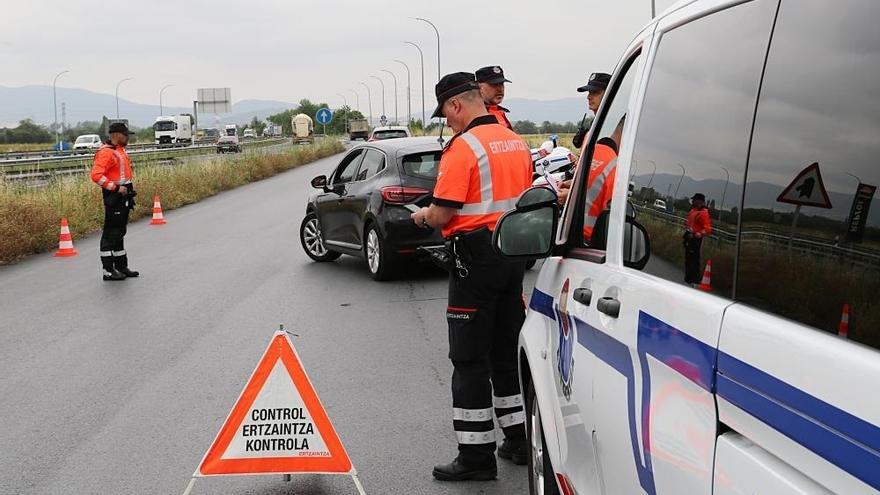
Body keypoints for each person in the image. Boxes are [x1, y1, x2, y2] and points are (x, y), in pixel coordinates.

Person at [410, 72, 533, 482]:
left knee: (468, 359)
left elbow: (443, 213)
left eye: (446, 113)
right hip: (513, 258)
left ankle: (476, 456)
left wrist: (422, 216)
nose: (447, 122)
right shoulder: (515, 142)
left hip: (474, 262)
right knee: (505, 353)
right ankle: (518, 439)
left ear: (457, 105)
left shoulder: (463, 149)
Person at [90, 122, 139, 281]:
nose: (127, 138)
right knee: (110, 233)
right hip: (114, 196)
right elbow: (96, 176)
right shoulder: (106, 152)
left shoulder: (119, 150)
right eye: (126, 135)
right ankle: (108, 270)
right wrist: (115, 188)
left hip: (123, 195)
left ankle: (121, 266)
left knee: (119, 232)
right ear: (117, 135)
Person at [572, 72, 611, 150]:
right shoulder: (596, 123)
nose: (588, 97)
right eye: (589, 92)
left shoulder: (612, 126)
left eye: (595, 92)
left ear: (609, 94)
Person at [684, 193, 713, 285]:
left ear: (699, 201)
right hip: (689, 236)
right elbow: (689, 223)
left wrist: (699, 234)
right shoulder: (693, 210)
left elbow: (708, 229)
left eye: (694, 200)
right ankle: (688, 279)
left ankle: (694, 281)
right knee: (688, 259)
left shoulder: (703, 213)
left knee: (694, 260)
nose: (692, 201)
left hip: (695, 239)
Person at [475, 66, 513, 130]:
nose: (500, 89)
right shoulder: (472, 115)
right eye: (494, 85)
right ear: (479, 87)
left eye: (501, 84)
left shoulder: (499, 112)